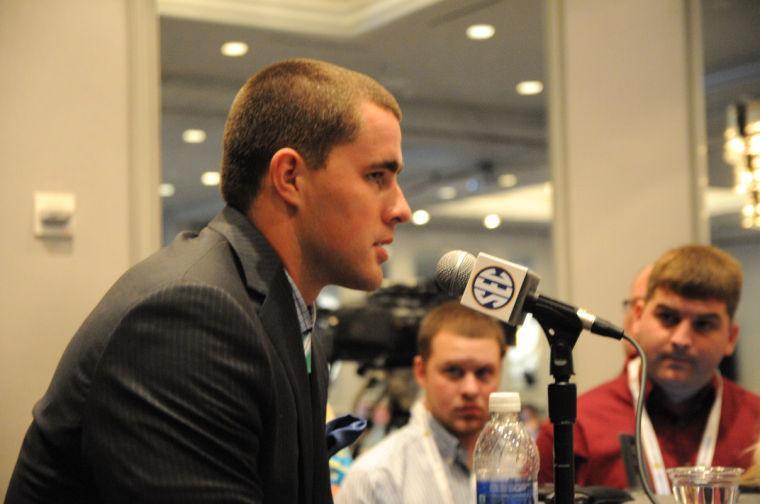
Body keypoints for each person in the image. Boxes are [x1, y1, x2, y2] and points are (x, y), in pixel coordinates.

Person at [6, 59, 411, 503]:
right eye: (377, 176)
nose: (401, 208)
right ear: (290, 178)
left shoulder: (288, 313)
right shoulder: (192, 315)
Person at [536, 244, 760, 492]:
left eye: (704, 324)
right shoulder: (574, 425)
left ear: (731, 337)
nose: (681, 340)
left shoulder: (756, 422)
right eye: (668, 318)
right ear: (638, 317)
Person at [336, 300, 507, 504]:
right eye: (453, 371)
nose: (470, 389)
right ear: (420, 371)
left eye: (483, 372)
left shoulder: (516, 465)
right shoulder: (375, 478)